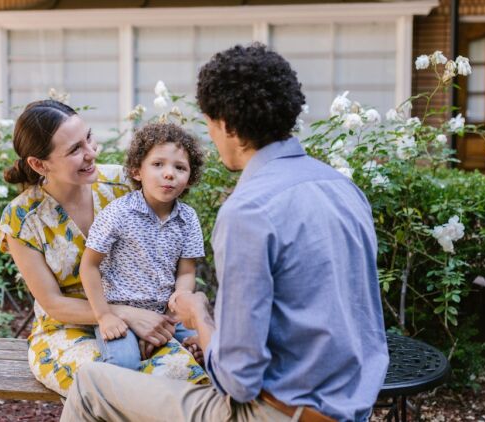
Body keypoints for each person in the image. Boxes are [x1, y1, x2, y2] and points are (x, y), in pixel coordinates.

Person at [61, 43, 389, 422]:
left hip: (274, 414)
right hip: (354, 410)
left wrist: (200, 316)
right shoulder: (343, 189)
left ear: (225, 124)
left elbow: (238, 381)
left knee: (92, 385)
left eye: (208, 124)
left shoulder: (248, 210)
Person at [0, 100, 207, 398]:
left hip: (146, 315)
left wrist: (158, 318)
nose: (91, 153)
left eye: (89, 138)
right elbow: (54, 304)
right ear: (39, 164)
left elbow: (171, 240)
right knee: (110, 381)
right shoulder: (22, 218)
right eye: (74, 150)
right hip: (67, 329)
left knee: (184, 368)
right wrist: (126, 315)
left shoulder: (122, 183)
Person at [80, 122, 206, 370]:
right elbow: (89, 266)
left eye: (180, 167)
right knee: (123, 363)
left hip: (166, 313)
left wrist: (173, 317)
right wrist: (103, 315)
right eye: (158, 164)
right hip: (120, 314)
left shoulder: (188, 219)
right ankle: (112, 407)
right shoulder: (118, 213)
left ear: (190, 178)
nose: (169, 173)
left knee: (207, 349)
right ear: (137, 171)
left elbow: (186, 272)